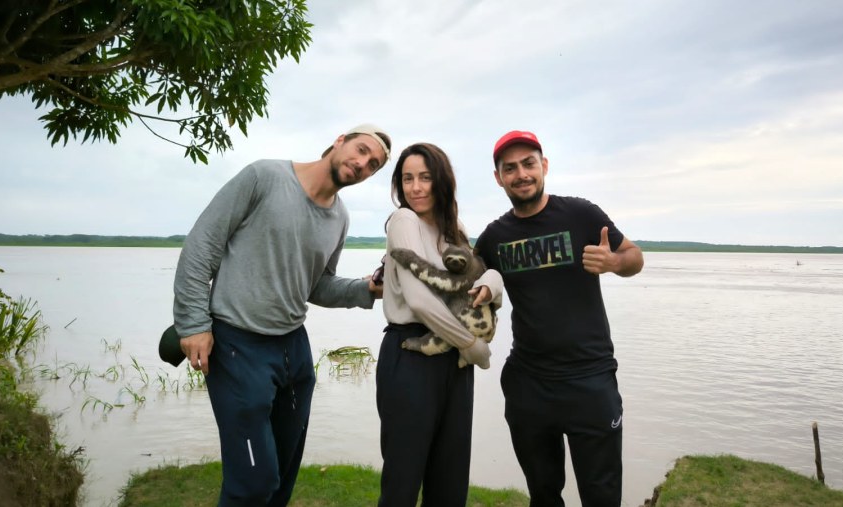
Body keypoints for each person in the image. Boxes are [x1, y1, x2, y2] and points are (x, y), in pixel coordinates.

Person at [172, 124, 392, 506]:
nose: (362, 164)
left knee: (282, 477)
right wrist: (193, 324)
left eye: (373, 165)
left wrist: (366, 289)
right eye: (360, 151)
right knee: (253, 481)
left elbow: (317, 286)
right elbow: (202, 245)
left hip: (294, 350)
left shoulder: (340, 218)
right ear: (339, 140)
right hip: (237, 344)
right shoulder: (265, 176)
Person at [475, 130, 644, 507]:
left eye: (528, 164)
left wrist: (614, 262)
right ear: (498, 177)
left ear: (544, 166)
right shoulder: (494, 237)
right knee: (543, 494)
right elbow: (465, 279)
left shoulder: (581, 214)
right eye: (510, 168)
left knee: (601, 496)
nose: (521, 174)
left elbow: (635, 256)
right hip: (528, 385)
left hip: (590, 381)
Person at [376, 142, 503, 507]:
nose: (415, 187)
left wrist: (493, 283)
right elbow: (419, 300)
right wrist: (470, 344)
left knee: (450, 478)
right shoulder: (404, 221)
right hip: (411, 354)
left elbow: (476, 277)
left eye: (425, 178)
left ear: (441, 181)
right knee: (403, 479)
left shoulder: (452, 228)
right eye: (407, 178)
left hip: (453, 361)